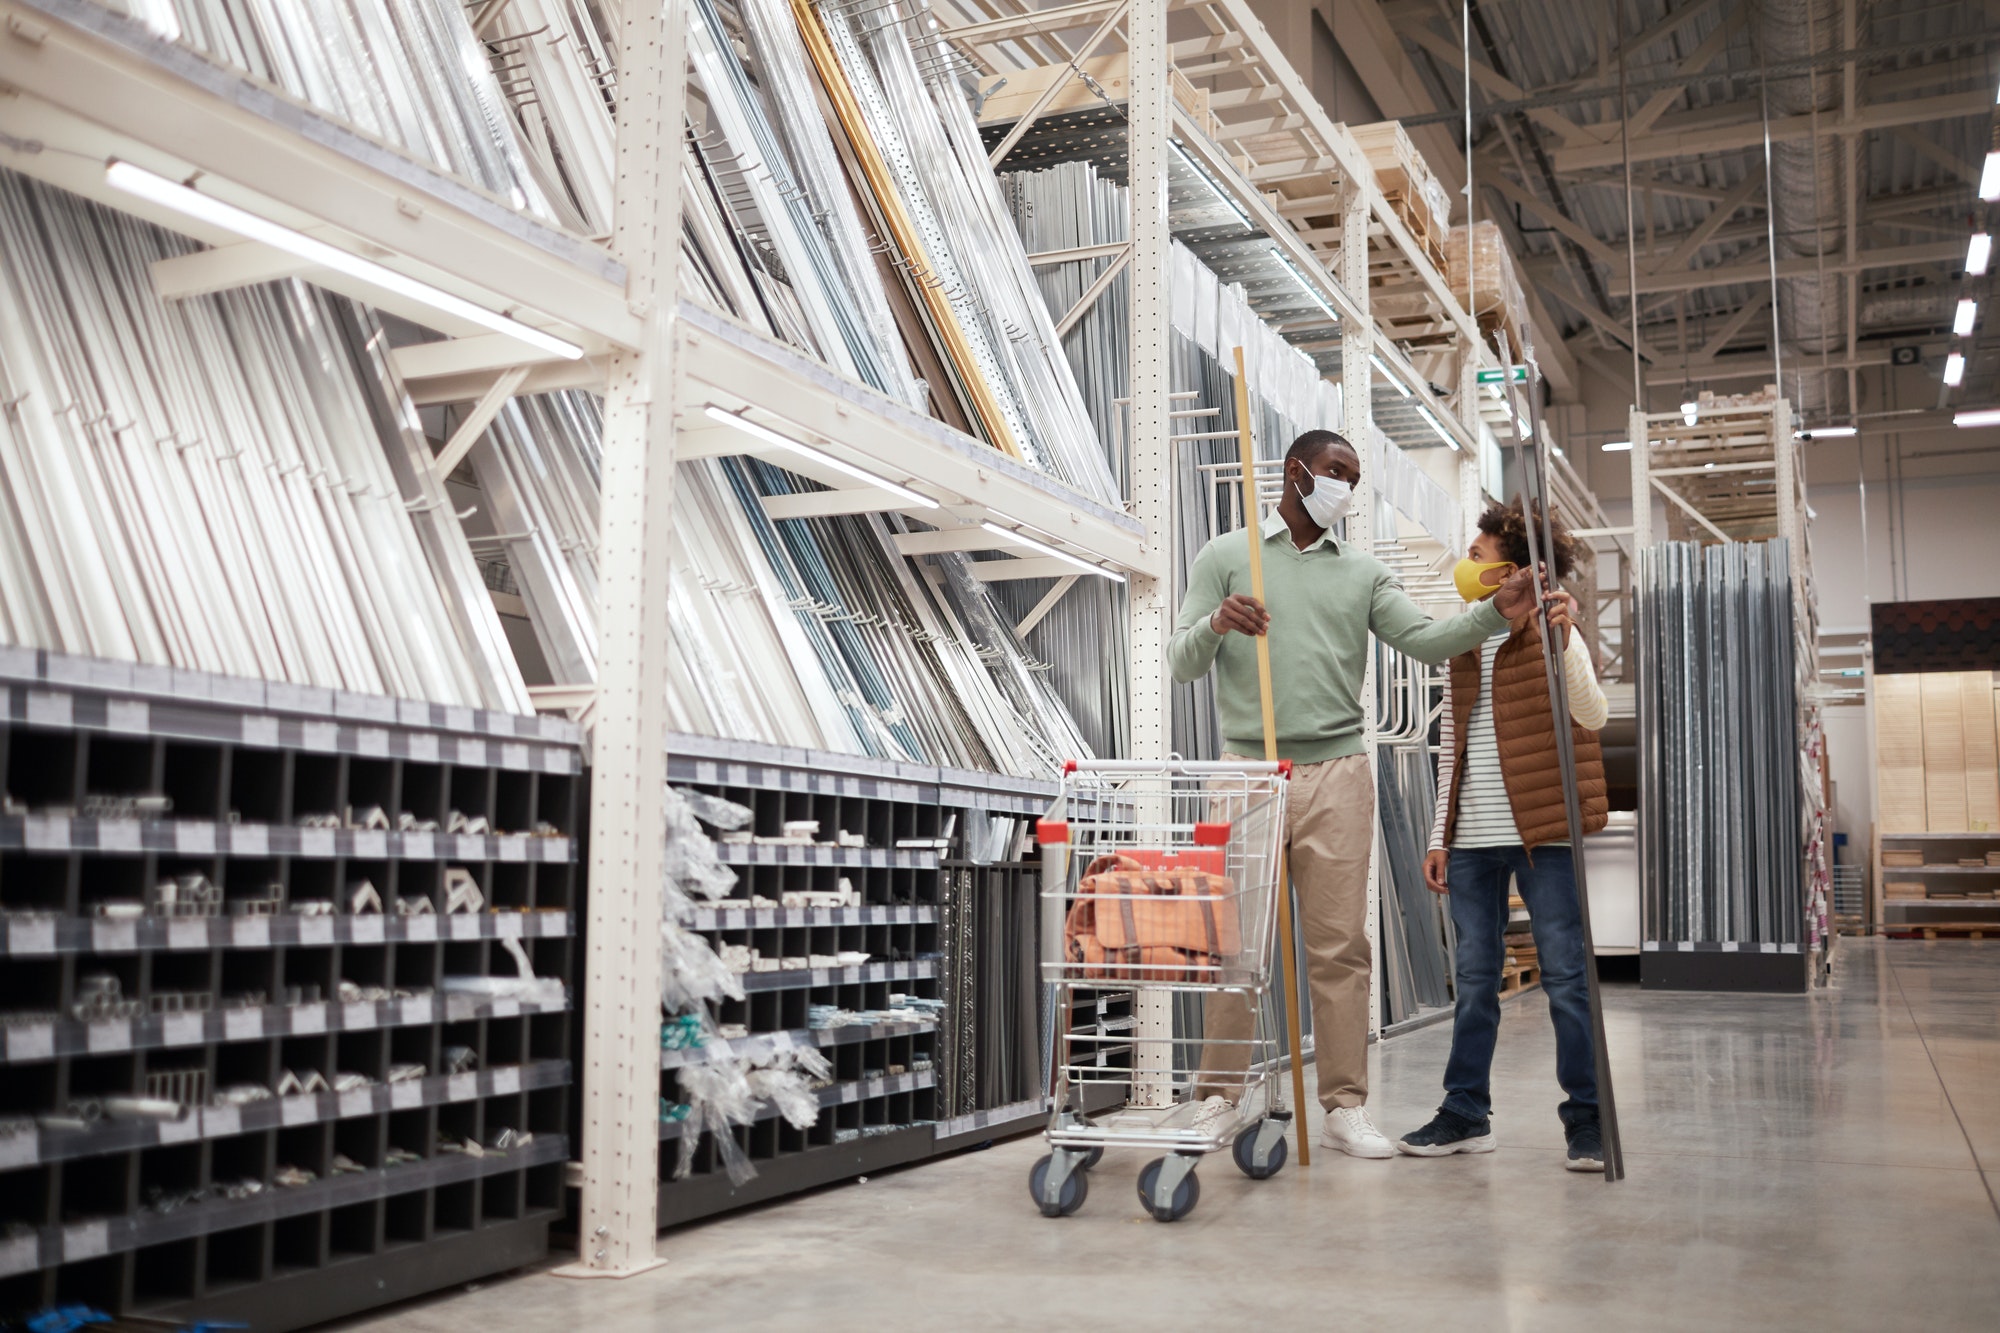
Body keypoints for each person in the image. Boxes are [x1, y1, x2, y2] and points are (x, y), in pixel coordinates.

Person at [1169, 429, 1551, 1158]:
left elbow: (1427, 639)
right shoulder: (1226, 556)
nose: (1344, 486)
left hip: (1339, 772)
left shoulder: (1364, 573)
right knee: (1232, 945)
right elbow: (1182, 661)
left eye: (1352, 476)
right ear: (1297, 471)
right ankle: (1217, 1096)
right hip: (1248, 771)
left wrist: (1495, 613)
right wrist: (1218, 622)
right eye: (1335, 471)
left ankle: (1344, 1104)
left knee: (1341, 946)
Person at [1397, 499, 1609, 1171]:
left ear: (1512, 568)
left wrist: (1562, 638)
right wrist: (1439, 833)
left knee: (1568, 977)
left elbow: (1592, 713)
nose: (1469, 562)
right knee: (1476, 977)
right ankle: (1465, 1112)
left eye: (1479, 553)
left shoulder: (1555, 628)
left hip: (1540, 834)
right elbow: (1451, 741)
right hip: (1469, 839)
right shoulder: (1466, 635)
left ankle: (1588, 1119)